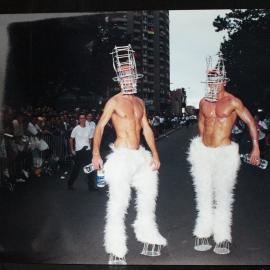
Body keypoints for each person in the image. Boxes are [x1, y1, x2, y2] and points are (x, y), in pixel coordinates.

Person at [92, 44, 167, 265]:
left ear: (135, 76)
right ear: (119, 78)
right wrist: (96, 154)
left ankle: (148, 237)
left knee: (147, 198)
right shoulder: (114, 101)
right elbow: (99, 127)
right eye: (123, 74)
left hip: (141, 156)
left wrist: (155, 154)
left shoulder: (140, 102)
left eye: (130, 73)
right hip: (121, 155)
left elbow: (146, 130)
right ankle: (115, 249)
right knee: (118, 202)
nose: (127, 77)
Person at [187, 53, 260, 255]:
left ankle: (223, 237)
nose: (214, 83)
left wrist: (255, 146)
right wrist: (202, 143)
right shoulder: (203, 102)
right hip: (204, 153)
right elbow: (202, 124)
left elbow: (250, 122)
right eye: (211, 80)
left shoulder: (233, 102)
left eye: (217, 80)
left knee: (223, 195)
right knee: (203, 194)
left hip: (225, 153)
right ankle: (202, 232)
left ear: (224, 81)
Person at [68, 114, 96, 191]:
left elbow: (90, 139)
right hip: (79, 151)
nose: (82, 119)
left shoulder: (88, 128)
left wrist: (90, 147)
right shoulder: (76, 129)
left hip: (87, 150)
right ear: (79, 120)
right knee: (76, 169)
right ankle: (70, 184)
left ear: (85, 119)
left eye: (84, 118)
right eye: (81, 118)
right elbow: (71, 139)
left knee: (90, 168)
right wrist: (72, 149)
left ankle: (91, 186)